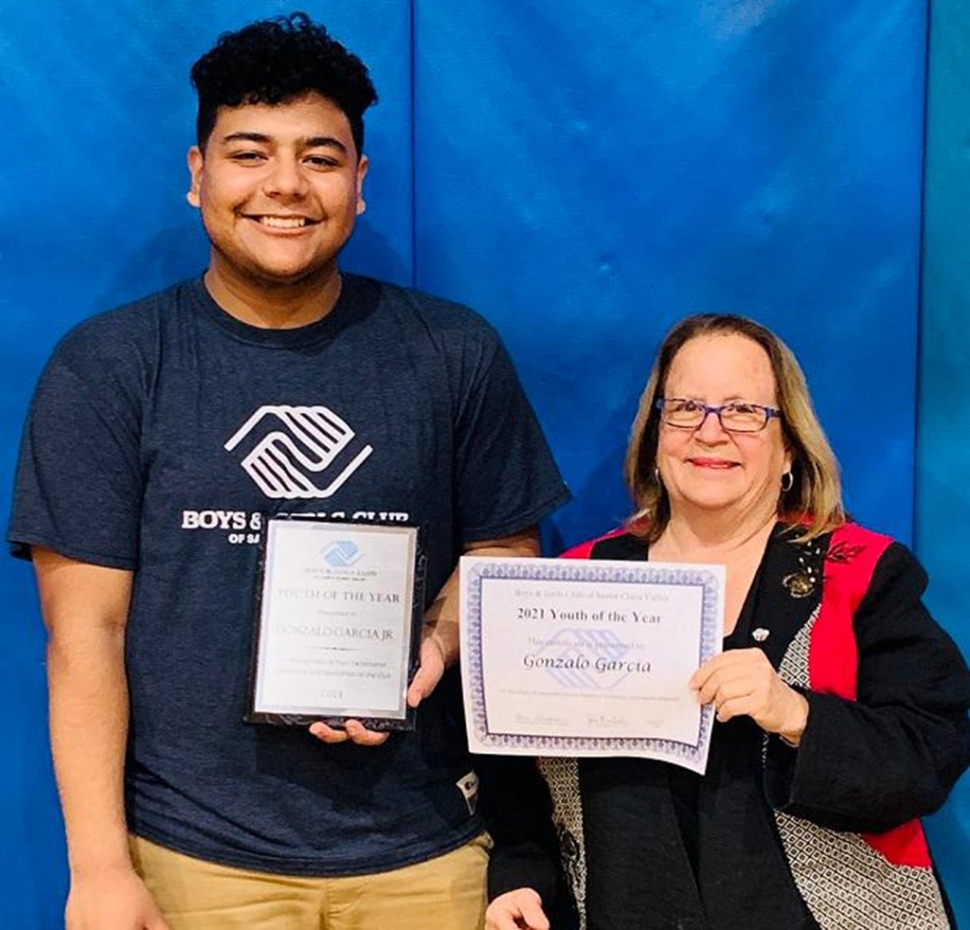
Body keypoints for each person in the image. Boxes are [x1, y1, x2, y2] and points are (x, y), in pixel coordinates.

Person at [8, 13, 569, 930]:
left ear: (359, 183)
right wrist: (101, 868)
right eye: (248, 153)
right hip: (193, 859)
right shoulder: (109, 366)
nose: (284, 185)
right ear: (198, 176)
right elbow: (85, 636)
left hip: (425, 854)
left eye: (319, 156)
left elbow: (504, 548)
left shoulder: (453, 352)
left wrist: (430, 643)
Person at [486, 314, 970, 930]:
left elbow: (929, 754)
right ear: (656, 437)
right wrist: (521, 878)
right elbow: (515, 770)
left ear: (788, 447)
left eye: (743, 411)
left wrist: (796, 714)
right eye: (686, 408)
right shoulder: (579, 578)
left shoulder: (865, 572)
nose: (710, 433)